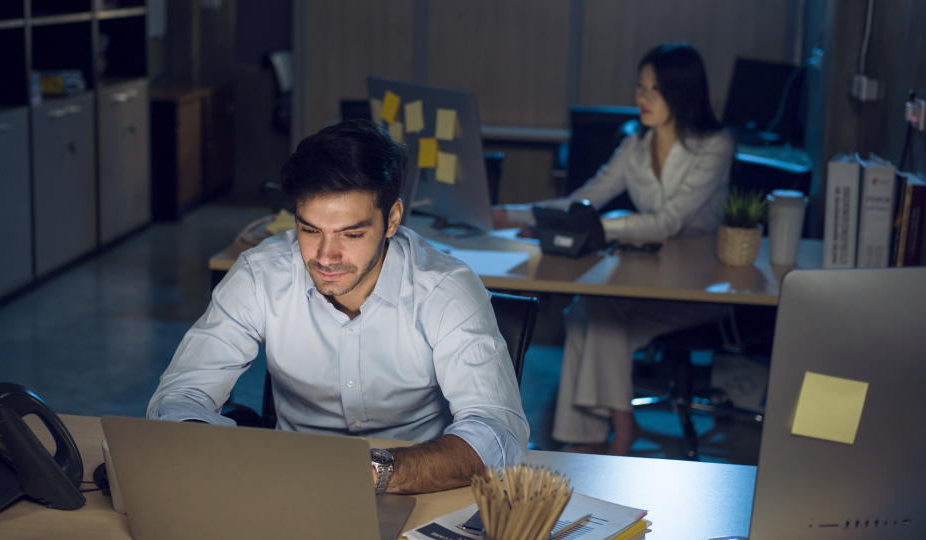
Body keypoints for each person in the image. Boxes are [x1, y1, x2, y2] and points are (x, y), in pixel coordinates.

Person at [148, 119, 529, 494]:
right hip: (289, 486)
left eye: (352, 234)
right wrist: (201, 444)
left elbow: (497, 432)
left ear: (392, 219)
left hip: (416, 486)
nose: (326, 256)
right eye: (310, 230)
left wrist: (370, 474)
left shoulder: (445, 288)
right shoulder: (260, 274)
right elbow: (179, 396)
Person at [493, 43, 734, 455]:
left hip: (702, 284)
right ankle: (597, 436)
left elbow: (667, 222)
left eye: (653, 90)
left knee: (595, 318)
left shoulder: (714, 146)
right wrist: (511, 214)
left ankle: (612, 439)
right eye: (640, 87)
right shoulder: (635, 147)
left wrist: (589, 226)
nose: (641, 98)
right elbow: (585, 197)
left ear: (681, 93)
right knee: (590, 312)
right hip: (646, 274)